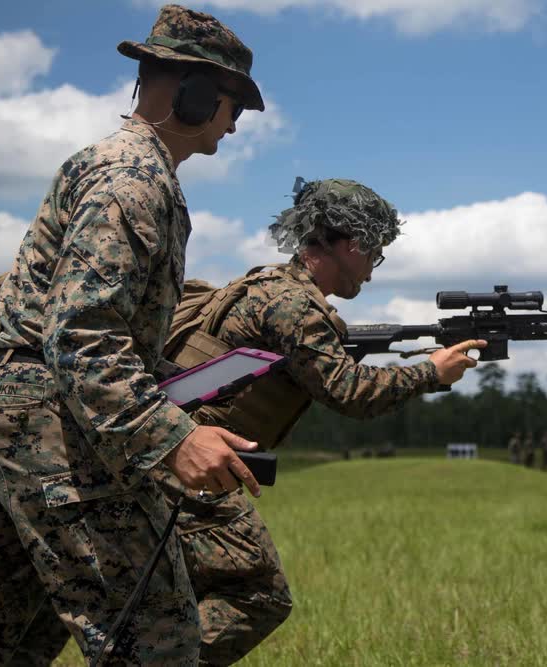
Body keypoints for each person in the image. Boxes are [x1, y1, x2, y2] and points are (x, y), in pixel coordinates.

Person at [0, 4, 266, 664]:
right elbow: (82, 336)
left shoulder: (116, 165)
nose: (234, 125)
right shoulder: (133, 177)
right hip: (49, 427)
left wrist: (177, 385)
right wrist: (170, 436)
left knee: (2, 638)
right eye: (231, 105)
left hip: (12, 419)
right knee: (155, 639)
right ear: (193, 92)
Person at [151, 177, 486, 661]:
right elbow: (349, 392)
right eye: (374, 255)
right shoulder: (294, 305)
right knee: (257, 594)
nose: (372, 273)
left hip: (172, 458)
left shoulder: (266, 284)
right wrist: (430, 373)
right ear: (350, 245)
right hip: (195, 469)